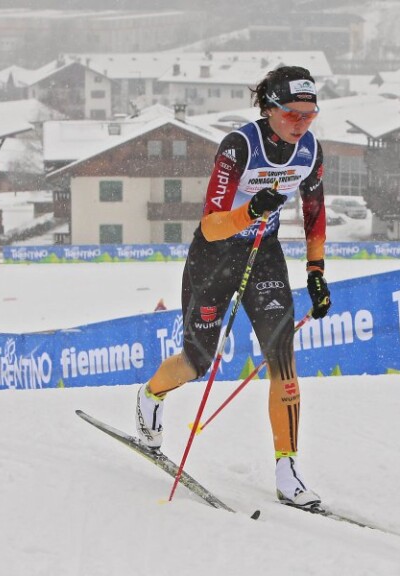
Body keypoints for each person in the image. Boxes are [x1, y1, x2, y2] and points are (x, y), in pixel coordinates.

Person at [135, 66, 331, 508]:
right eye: (293, 114)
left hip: (264, 254)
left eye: (310, 115)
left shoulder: (310, 150)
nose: (302, 124)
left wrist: (316, 272)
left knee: (283, 358)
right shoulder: (240, 146)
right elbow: (212, 224)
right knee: (196, 362)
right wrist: (252, 210)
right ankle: (151, 395)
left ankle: (287, 469)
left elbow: (315, 213)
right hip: (215, 256)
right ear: (269, 108)